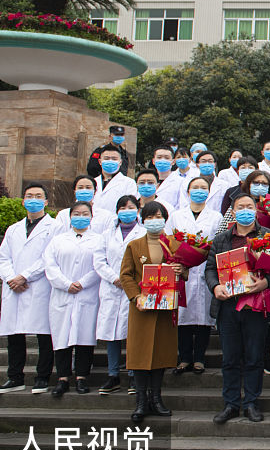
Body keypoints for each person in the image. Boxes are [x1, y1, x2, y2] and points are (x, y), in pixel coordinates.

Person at [206, 194, 270, 424]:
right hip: (228, 305)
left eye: (250, 206)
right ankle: (231, 403)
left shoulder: (269, 236)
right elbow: (210, 269)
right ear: (233, 210)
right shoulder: (221, 239)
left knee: (254, 356)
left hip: (256, 305)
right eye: (241, 207)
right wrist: (215, 286)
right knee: (230, 357)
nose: (245, 210)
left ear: (256, 209)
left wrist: (266, 282)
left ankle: (251, 402)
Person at [118, 200, 181, 422]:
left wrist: (181, 270)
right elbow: (126, 274)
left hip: (165, 307)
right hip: (142, 307)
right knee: (140, 353)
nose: (154, 221)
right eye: (149, 217)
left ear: (165, 218)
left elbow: (183, 273)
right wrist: (136, 296)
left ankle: (156, 399)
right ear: (143, 220)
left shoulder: (173, 243)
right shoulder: (134, 245)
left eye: (158, 216)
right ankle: (141, 402)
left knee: (161, 354)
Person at [43, 201, 105, 397]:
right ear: (70, 217)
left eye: (85, 213)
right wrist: (65, 283)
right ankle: (62, 378)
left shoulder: (98, 240)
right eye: (76, 213)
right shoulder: (58, 240)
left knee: (84, 337)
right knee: (61, 337)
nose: (80, 216)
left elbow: (99, 266)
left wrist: (82, 283)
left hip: (87, 293)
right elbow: (50, 266)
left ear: (91, 217)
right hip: (63, 294)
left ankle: (81, 377)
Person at [0, 183, 57, 394]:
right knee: (14, 334)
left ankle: (42, 377)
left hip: (38, 285)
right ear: (23, 200)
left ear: (46, 201)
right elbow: (3, 257)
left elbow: (48, 257)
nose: (33, 199)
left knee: (44, 333)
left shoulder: (53, 227)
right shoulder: (13, 229)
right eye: (29, 195)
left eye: (38, 196)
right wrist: (10, 278)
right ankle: (15, 377)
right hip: (14, 286)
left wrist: (25, 276)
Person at [165, 176, 222, 375]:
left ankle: (199, 358)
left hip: (205, 270)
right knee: (184, 317)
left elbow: (218, 244)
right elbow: (168, 242)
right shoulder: (176, 216)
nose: (199, 190)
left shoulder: (216, 217)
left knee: (204, 318)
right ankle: (184, 358)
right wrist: (178, 262)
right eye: (195, 187)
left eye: (203, 187)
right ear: (188, 192)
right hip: (182, 272)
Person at [95, 195, 142, 395]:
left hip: (134, 289)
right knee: (111, 335)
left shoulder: (144, 233)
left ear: (138, 211)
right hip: (111, 287)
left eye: (131, 207)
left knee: (132, 333)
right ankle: (113, 375)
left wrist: (128, 282)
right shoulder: (106, 234)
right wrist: (115, 278)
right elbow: (99, 261)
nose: (127, 210)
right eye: (123, 207)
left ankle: (133, 375)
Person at [94, 144, 137, 214]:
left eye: (114, 159)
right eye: (106, 158)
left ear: (120, 162)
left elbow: (130, 207)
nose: (110, 161)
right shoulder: (93, 182)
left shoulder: (129, 183)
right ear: (100, 162)